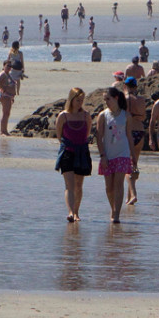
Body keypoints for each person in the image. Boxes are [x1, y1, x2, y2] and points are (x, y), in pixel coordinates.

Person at [96, 87, 134, 223]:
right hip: (107, 154)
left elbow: (129, 136)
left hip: (122, 154)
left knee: (118, 184)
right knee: (109, 187)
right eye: (105, 99)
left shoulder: (126, 116)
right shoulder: (103, 115)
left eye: (108, 99)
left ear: (116, 98)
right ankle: (112, 208)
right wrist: (102, 155)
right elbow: (99, 137)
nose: (106, 102)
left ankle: (116, 213)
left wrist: (133, 156)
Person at [55, 87, 92, 222]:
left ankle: (76, 212)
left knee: (78, 184)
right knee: (69, 185)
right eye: (77, 100)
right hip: (67, 152)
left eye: (81, 100)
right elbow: (59, 135)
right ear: (71, 100)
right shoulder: (63, 116)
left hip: (81, 152)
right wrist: (68, 146)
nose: (80, 103)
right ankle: (70, 212)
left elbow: (87, 132)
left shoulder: (86, 115)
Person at [123, 77, 147, 205]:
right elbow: (143, 116)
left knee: (128, 164)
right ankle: (128, 197)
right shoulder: (142, 100)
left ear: (125, 86)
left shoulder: (124, 99)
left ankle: (133, 194)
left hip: (129, 132)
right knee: (134, 163)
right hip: (140, 131)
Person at [0, 61, 17, 136]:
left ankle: (5, 130)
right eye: (7, 66)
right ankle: (3, 131)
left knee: (7, 113)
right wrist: (3, 87)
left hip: (9, 96)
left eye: (10, 66)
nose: (9, 67)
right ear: (4, 66)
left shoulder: (8, 74)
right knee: (5, 113)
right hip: (5, 95)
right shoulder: (3, 74)